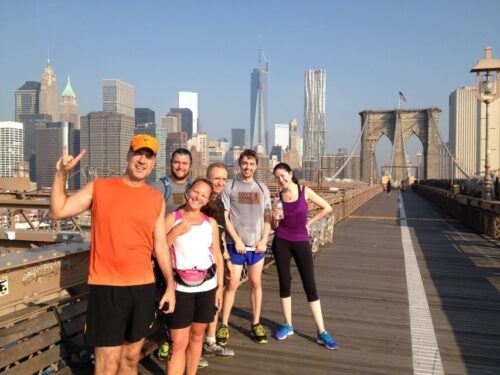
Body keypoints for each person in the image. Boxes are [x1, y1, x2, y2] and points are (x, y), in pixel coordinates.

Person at [50, 135, 176, 374]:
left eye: (148, 157)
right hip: (107, 287)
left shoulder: (156, 198)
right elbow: (59, 211)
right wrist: (61, 174)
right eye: (138, 153)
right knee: (106, 364)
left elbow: (160, 244)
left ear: (153, 163)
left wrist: (170, 285)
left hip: (142, 287)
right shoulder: (100, 187)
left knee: (130, 360)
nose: (142, 160)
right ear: (128, 155)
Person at [271, 162, 338, 350]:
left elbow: (327, 207)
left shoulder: (304, 191)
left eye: (283, 175)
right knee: (285, 284)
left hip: (301, 242)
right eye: (277, 177)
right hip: (281, 241)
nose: (281, 180)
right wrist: (275, 216)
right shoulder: (277, 197)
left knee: (310, 286)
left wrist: (309, 223)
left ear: (291, 174)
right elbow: (275, 226)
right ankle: (288, 325)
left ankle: (321, 331)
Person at [163, 178, 224, 375]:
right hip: (180, 289)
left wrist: (219, 288)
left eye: (204, 195)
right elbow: (157, 251)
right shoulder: (172, 218)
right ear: (189, 191)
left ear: (207, 201)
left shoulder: (211, 223)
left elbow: (217, 257)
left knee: (197, 336)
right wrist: (175, 232)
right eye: (196, 192)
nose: (198, 197)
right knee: (178, 342)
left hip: (207, 287)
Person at [217, 149, 272, 345]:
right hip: (236, 245)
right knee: (231, 285)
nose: (247, 167)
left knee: (255, 284)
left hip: (257, 246)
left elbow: (268, 216)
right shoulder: (230, 187)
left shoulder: (262, 188)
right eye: (244, 163)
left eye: (251, 164)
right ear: (239, 165)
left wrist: (264, 239)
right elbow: (225, 216)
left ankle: (256, 323)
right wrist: (236, 240)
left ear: (256, 166)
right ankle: (223, 325)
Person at [150, 148, 193, 363]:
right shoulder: (160, 186)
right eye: (177, 162)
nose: (180, 167)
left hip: (187, 256)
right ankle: (166, 338)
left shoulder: (193, 187)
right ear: (171, 163)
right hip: (165, 252)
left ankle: (180, 341)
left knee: (184, 299)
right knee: (164, 296)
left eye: (184, 163)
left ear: (190, 166)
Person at [202, 163, 235, 360]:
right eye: (216, 178)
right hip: (199, 263)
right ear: (208, 178)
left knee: (216, 300)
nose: (220, 182)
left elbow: (220, 235)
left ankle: (211, 341)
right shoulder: (201, 201)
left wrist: (227, 259)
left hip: (217, 260)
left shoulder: (220, 203)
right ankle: (192, 349)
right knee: (198, 307)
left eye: (224, 179)